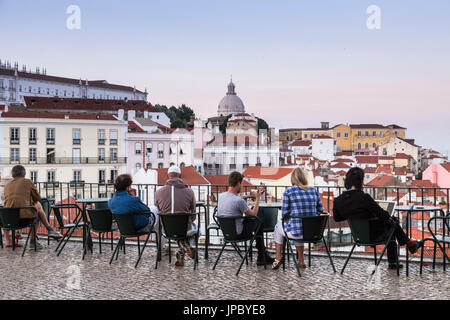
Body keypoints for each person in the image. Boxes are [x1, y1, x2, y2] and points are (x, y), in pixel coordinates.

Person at [333, 167, 424, 269]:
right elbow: (383, 215)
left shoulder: (338, 200)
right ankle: (406, 248)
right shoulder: (364, 198)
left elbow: (337, 218)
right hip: (373, 235)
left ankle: (407, 247)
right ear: (360, 182)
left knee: (391, 224)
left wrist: (353, 214)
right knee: (393, 223)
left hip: (358, 236)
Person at [217, 171, 274, 265]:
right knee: (259, 214)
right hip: (239, 234)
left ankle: (262, 254)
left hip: (227, 233)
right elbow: (253, 214)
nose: (241, 186)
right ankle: (261, 254)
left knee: (256, 221)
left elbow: (234, 201)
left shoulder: (221, 196)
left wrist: (246, 197)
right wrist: (258, 198)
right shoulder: (239, 201)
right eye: (241, 184)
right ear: (239, 183)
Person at [272, 167, 324, 269]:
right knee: (298, 226)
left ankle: (278, 256)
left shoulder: (289, 191)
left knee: (279, 226)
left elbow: (285, 213)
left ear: (293, 179)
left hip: (297, 233)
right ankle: (301, 260)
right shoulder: (313, 190)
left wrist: (290, 218)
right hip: (312, 233)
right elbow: (320, 210)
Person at [3, 165, 62, 249]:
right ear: (24, 174)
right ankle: (34, 240)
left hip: (8, 221)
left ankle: (8, 241)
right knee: (37, 206)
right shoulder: (28, 182)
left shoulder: (7, 185)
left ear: (13, 175)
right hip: (24, 220)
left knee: (6, 211)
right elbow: (37, 198)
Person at [155, 165, 197, 267]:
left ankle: (182, 250)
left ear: (168, 175)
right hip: (185, 229)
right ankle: (186, 247)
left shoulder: (158, 192)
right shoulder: (189, 191)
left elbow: (159, 209)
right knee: (196, 230)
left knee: (176, 229)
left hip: (166, 230)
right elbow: (193, 213)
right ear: (180, 175)